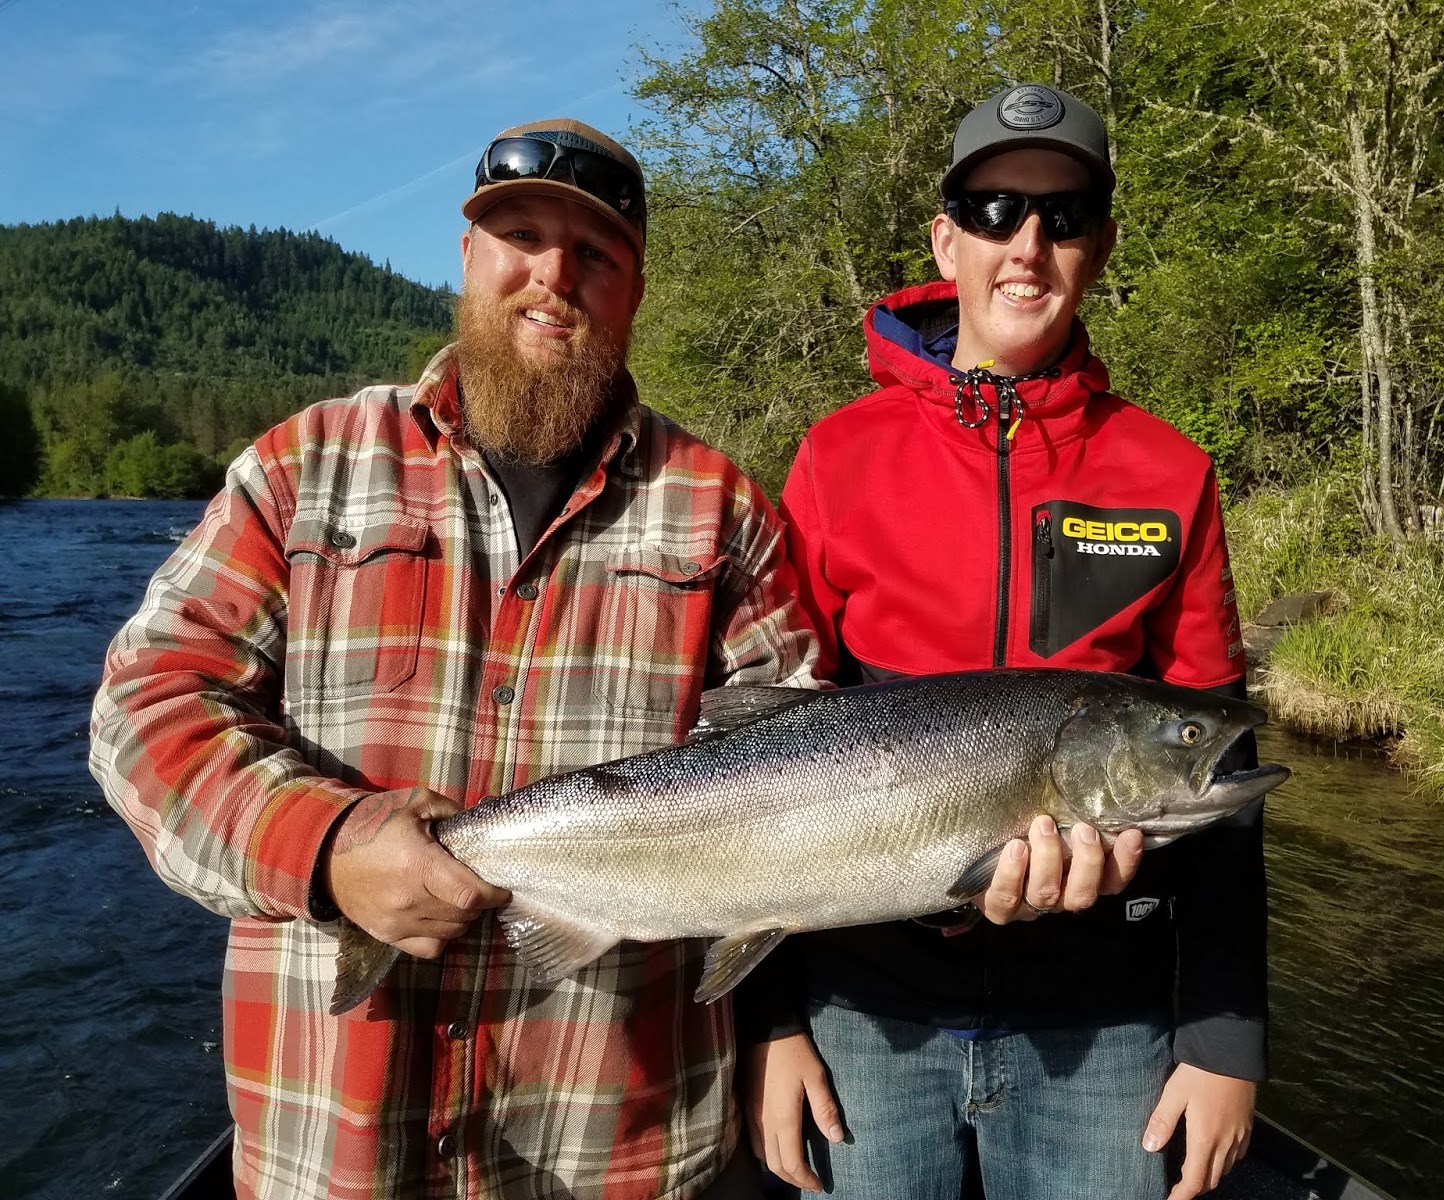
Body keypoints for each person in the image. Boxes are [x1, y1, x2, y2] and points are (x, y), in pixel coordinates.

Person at [88, 118, 826, 1200]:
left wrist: (784, 1009)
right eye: (521, 237)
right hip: (333, 1140)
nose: (553, 276)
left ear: (635, 290)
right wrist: (325, 847)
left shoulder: (725, 511)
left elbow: (816, 782)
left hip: (613, 1144)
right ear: (469, 255)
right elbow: (147, 703)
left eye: (596, 254)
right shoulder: (306, 465)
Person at [739, 85, 1266, 1200]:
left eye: (1062, 217)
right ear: (948, 241)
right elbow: (764, 768)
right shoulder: (836, 456)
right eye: (994, 211)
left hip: (1104, 1020)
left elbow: (1222, 775)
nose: (1027, 245)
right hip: (863, 1015)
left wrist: (1225, 1037)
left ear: (1100, 248)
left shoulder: (1171, 473)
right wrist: (769, 1021)